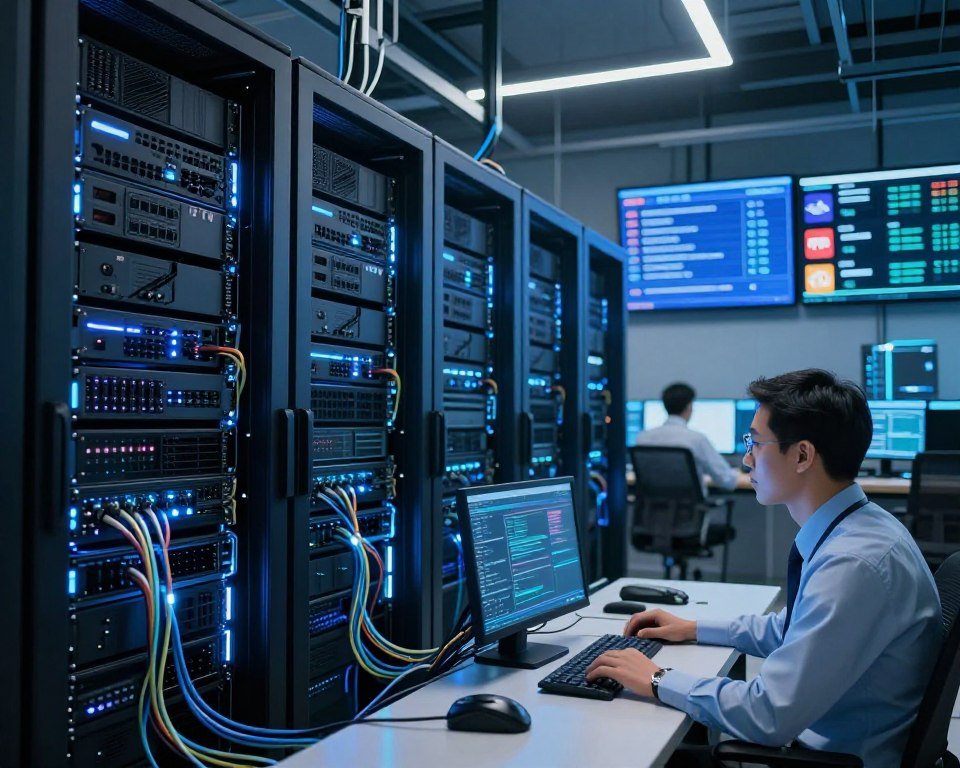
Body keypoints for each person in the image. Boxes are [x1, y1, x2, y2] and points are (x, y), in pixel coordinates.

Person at [589, 369, 942, 765]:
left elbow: (767, 715)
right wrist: (692, 628)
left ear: (803, 455)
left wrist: (656, 678)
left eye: (755, 443)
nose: (746, 457)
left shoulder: (853, 564)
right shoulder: (861, 528)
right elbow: (793, 628)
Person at [635, 382, 741, 492]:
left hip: (651, 506)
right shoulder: (696, 439)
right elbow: (727, 480)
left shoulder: (642, 438)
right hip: (688, 507)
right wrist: (736, 473)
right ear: (689, 406)